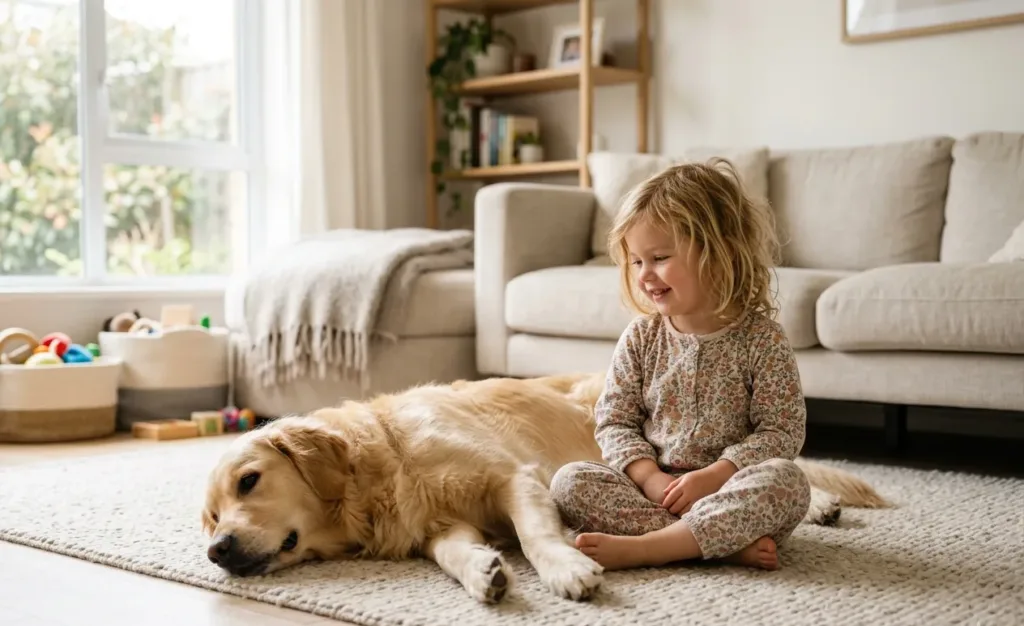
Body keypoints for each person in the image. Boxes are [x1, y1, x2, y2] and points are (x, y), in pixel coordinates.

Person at [550, 157, 811, 571]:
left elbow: (782, 430)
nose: (644, 275)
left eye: (659, 257)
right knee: (569, 482)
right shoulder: (640, 337)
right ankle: (714, 546)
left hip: (731, 490)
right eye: (636, 261)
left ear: (718, 251)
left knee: (787, 483)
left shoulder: (763, 339)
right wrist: (650, 479)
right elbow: (615, 422)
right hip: (655, 493)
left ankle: (651, 547)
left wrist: (718, 475)